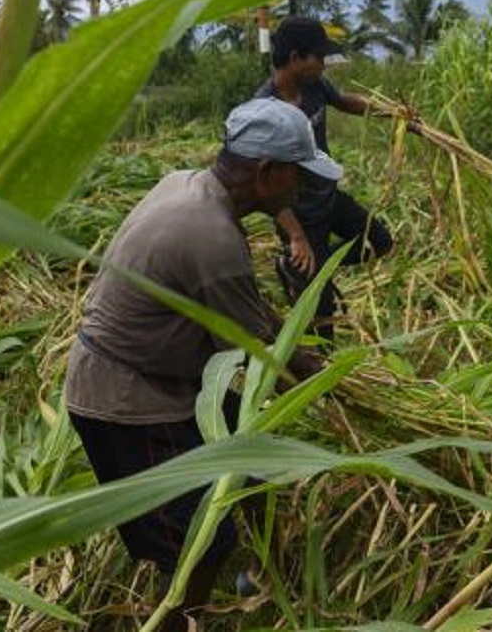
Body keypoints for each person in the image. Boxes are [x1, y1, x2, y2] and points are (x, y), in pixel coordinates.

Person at [64, 98, 336, 631]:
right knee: (199, 541)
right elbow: (256, 361)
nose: (301, 190)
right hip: (128, 402)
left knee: (250, 458)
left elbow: (251, 315)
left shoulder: (184, 185)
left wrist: (304, 357)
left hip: (154, 378)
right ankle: (174, 621)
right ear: (267, 173)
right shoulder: (211, 239)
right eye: (299, 176)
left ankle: (261, 575)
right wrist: (316, 385)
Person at [256, 16, 395, 341]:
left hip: (328, 198)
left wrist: (394, 113)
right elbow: (265, 187)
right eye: (319, 57)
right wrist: (296, 238)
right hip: (299, 217)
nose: (325, 64)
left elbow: (345, 102)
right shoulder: (266, 111)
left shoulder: (314, 84)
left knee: (380, 242)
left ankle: (304, 269)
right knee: (321, 319)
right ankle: (321, 377)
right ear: (295, 59)